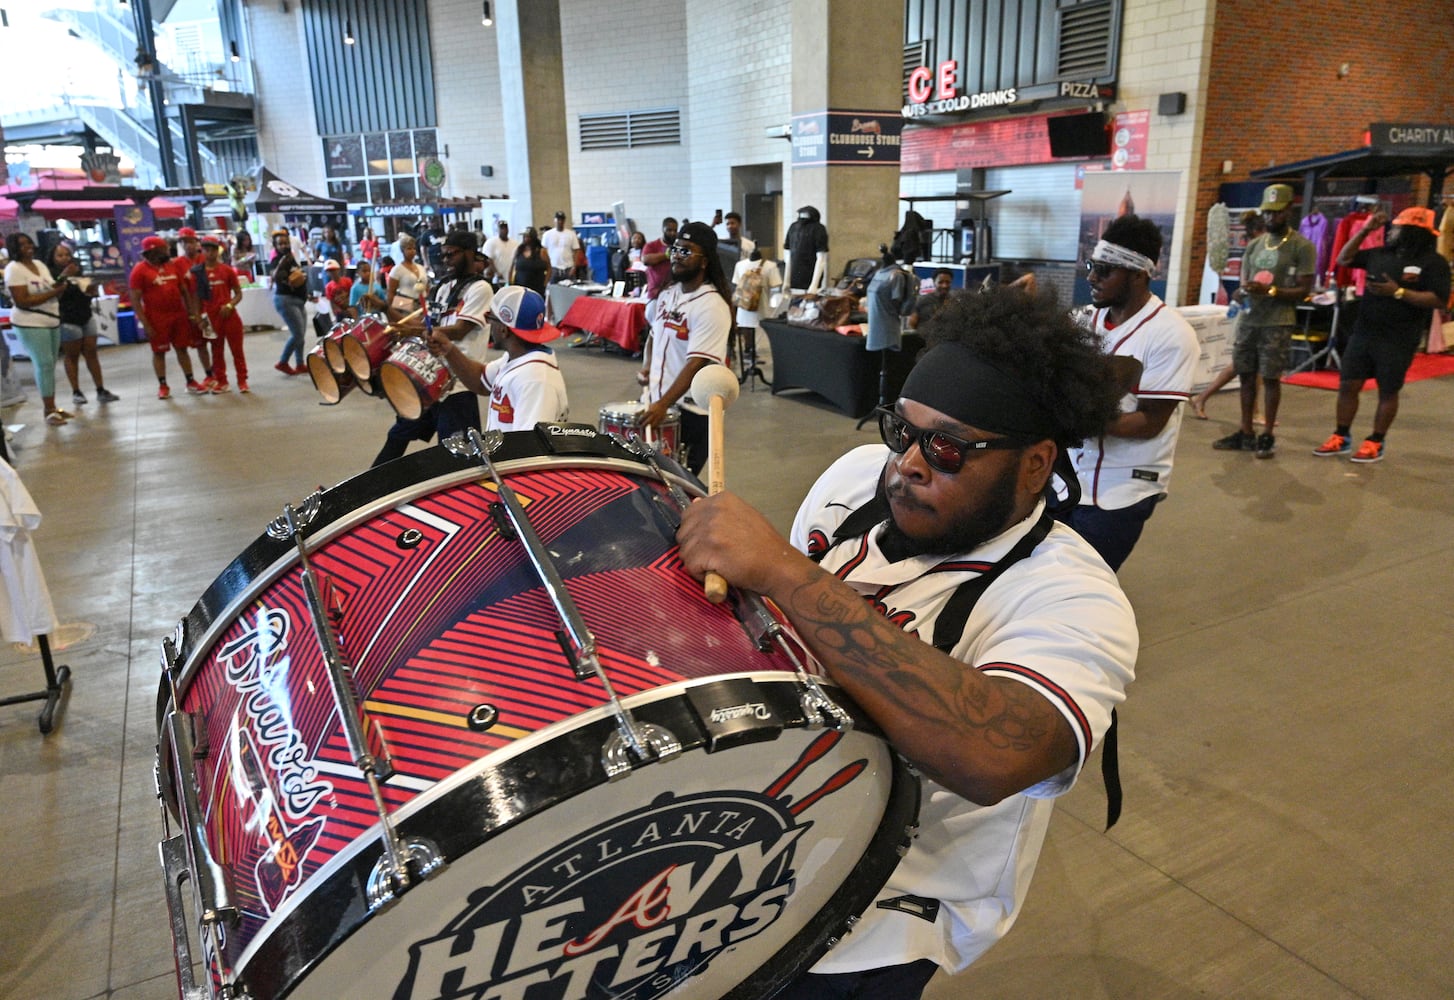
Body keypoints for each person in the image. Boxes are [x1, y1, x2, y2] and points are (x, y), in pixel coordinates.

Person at [674, 285, 1135, 1000]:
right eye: (902, 431)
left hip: (876, 922)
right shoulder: (853, 482)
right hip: (759, 857)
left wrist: (787, 573)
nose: (907, 465)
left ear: (1037, 464)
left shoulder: (1070, 594)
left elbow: (1000, 754)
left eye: (948, 448)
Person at [1064, 215, 1198, 570]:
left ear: (1138, 274)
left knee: (1083, 584)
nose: (1091, 276)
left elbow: (1150, 422)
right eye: (1091, 265)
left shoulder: (1170, 334)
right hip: (1069, 478)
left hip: (1120, 488)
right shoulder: (1084, 321)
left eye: (1104, 270)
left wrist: (1076, 417)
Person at [1312, 207, 1451, 463]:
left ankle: (1376, 440)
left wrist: (1398, 292)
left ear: (1413, 232)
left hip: (1399, 338)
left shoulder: (1434, 263)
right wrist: (1365, 230)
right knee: (1348, 384)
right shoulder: (1380, 254)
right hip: (1365, 332)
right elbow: (1344, 259)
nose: (1392, 231)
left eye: (1398, 228)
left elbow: (1439, 300)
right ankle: (1341, 436)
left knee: (1388, 390)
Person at [1211, 183, 1316, 459]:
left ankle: (1267, 434)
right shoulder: (1256, 245)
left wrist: (1272, 291)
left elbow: (1305, 290)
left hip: (1277, 321)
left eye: (1276, 213)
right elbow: (1244, 281)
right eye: (1267, 213)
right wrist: (1241, 291)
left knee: (1270, 378)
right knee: (1246, 376)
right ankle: (1246, 432)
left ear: (1288, 211)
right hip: (1249, 318)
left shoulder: (1301, 246)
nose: (1270, 218)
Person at [372, 230, 493, 467]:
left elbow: (459, 330)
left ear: (469, 253)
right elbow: (425, 323)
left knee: (459, 457)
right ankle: (365, 490)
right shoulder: (443, 286)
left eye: (452, 255)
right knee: (398, 434)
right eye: (443, 255)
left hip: (457, 383)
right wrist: (387, 309)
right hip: (428, 376)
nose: (446, 260)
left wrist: (415, 331)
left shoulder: (481, 288)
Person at [639, 221, 732, 473]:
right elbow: (654, 336)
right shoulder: (668, 294)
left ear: (705, 262)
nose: (677, 257)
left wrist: (662, 404)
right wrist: (647, 367)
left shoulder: (711, 305)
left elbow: (696, 363)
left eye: (687, 251)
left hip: (691, 413)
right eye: (675, 250)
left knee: (679, 488)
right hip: (662, 404)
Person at [431, 284, 568, 432]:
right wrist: (449, 350)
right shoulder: (518, 358)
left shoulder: (534, 380)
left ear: (503, 329)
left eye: (490, 318)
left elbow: (531, 446)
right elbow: (480, 381)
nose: (488, 324)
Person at [1191, 210, 1267, 419]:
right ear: (1259, 231)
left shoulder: (1257, 254)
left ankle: (1252, 411)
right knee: (1241, 365)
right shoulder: (1254, 255)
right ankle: (1203, 399)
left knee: (1248, 365)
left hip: (1255, 314)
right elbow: (1245, 289)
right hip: (1249, 315)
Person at [4, 233, 70, 424]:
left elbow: (50, 287)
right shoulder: (14, 269)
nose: (28, 247)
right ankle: (48, 410)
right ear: (14, 248)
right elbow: (22, 301)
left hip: (51, 320)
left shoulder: (40, 265)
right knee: (43, 364)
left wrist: (63, 278)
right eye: (22, 244)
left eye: (29, 242)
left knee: (50, 365)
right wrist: (55, 292)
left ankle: (53, 406)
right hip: (30, 322)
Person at [130, 235, 205, 398]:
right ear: (152, 251)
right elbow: (135, 299)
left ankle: (190, 381)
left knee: (182, 348)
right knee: (159, 352)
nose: (167, 251)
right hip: (156, 317)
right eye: (163, 249)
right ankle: (163, 385)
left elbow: (184, 291)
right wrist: (145, 323)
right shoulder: (140, 270)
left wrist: (192, 313)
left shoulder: (172, 266)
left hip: (178, 314)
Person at [47, 243, 120, 406]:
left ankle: (100, 389)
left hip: (85, 316)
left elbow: (84, 293)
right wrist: (63, 276)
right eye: (60, 255)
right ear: (52, 258)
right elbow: (53, 292)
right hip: (67, 319)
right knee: (72, 356)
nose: (64, 258)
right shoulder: (51, 275)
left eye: (67, 254)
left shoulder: (77, 272)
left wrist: (90, 292)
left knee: (91, 353)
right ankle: (76, 391)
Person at [195, 236, 249, 393]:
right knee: (216, 351)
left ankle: (242, 380)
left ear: (217, 250)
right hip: (211, 318)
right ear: (203, 251)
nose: (209, 253)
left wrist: (230, 304)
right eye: (206, 250)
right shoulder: (199, 272)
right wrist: (199, 318)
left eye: (212, 249)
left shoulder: (226, 270)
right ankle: (222, 381)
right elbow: (197, 298)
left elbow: (238, 294)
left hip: (229, 315)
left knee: (237, 350)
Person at [269, 228, 310, 376]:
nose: (284, 246)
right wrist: (292, 279)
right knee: (297, 334)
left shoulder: (290, 258)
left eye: (286, 243)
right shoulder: (277, 261)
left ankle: (300, 364)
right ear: (275, 246)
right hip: (286, 300)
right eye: (280, 244)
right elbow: (276, 275)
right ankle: (283, 362)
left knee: (301, 334)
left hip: (299, 300)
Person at [386, 235, 429, 315]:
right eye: (409, 249)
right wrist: (405, 306)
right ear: (402, 250)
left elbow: (427, 287)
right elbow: (390, 295)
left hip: (423, 305)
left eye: (414, 248)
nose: (412, 251)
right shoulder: (397, 270)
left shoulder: (421, 267)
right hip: (406, 307)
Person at [641, 217, 679, 304]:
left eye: (675, 230)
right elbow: (645, 260)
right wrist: (666, 255)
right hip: (656, 295)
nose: (672, 233)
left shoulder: (679, 246)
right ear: (663, 229)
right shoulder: (652, 245)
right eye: (669, 230)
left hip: (675, 293)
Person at [541, 210, 580, 283]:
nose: (560, 222)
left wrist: (574, 266)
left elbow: (577, 251)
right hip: (554, 268)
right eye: (558, 219)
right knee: (553, 291)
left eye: (562, 220)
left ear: (564, 221)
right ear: (554, 220)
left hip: (568, 268)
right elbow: (543, 251)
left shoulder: (571, 234)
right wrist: (547, 267)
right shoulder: (547, 235)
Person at [510, 227, 550, 295]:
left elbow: (549, 268)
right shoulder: (519, 250)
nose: (525, 239)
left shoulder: (541, 251)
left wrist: (545, 283)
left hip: (537, 288)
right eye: (524, 236)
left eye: (527, 237)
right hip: (520, 288)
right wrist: (510, 282)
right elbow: (512, 267)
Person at [482, 220, 519, 288]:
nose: (504, 230)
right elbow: (488, 259)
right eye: (501, 228)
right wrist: (496, 272)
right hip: (498, 279)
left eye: (505, 228)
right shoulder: (491, 242)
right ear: (498, 230)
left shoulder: (515, 243)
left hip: (511, 279)